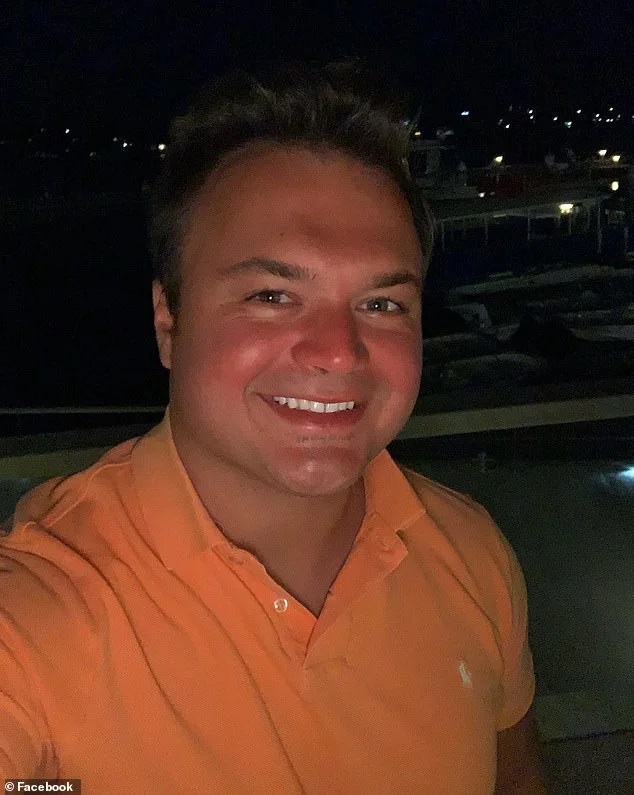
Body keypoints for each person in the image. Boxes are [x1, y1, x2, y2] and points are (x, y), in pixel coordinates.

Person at [0, 62, 547, 793]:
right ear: (168, 321)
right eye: (272, 295)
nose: (338, 351)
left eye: (382, 304)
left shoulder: (471, 554)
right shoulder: (37, 617)